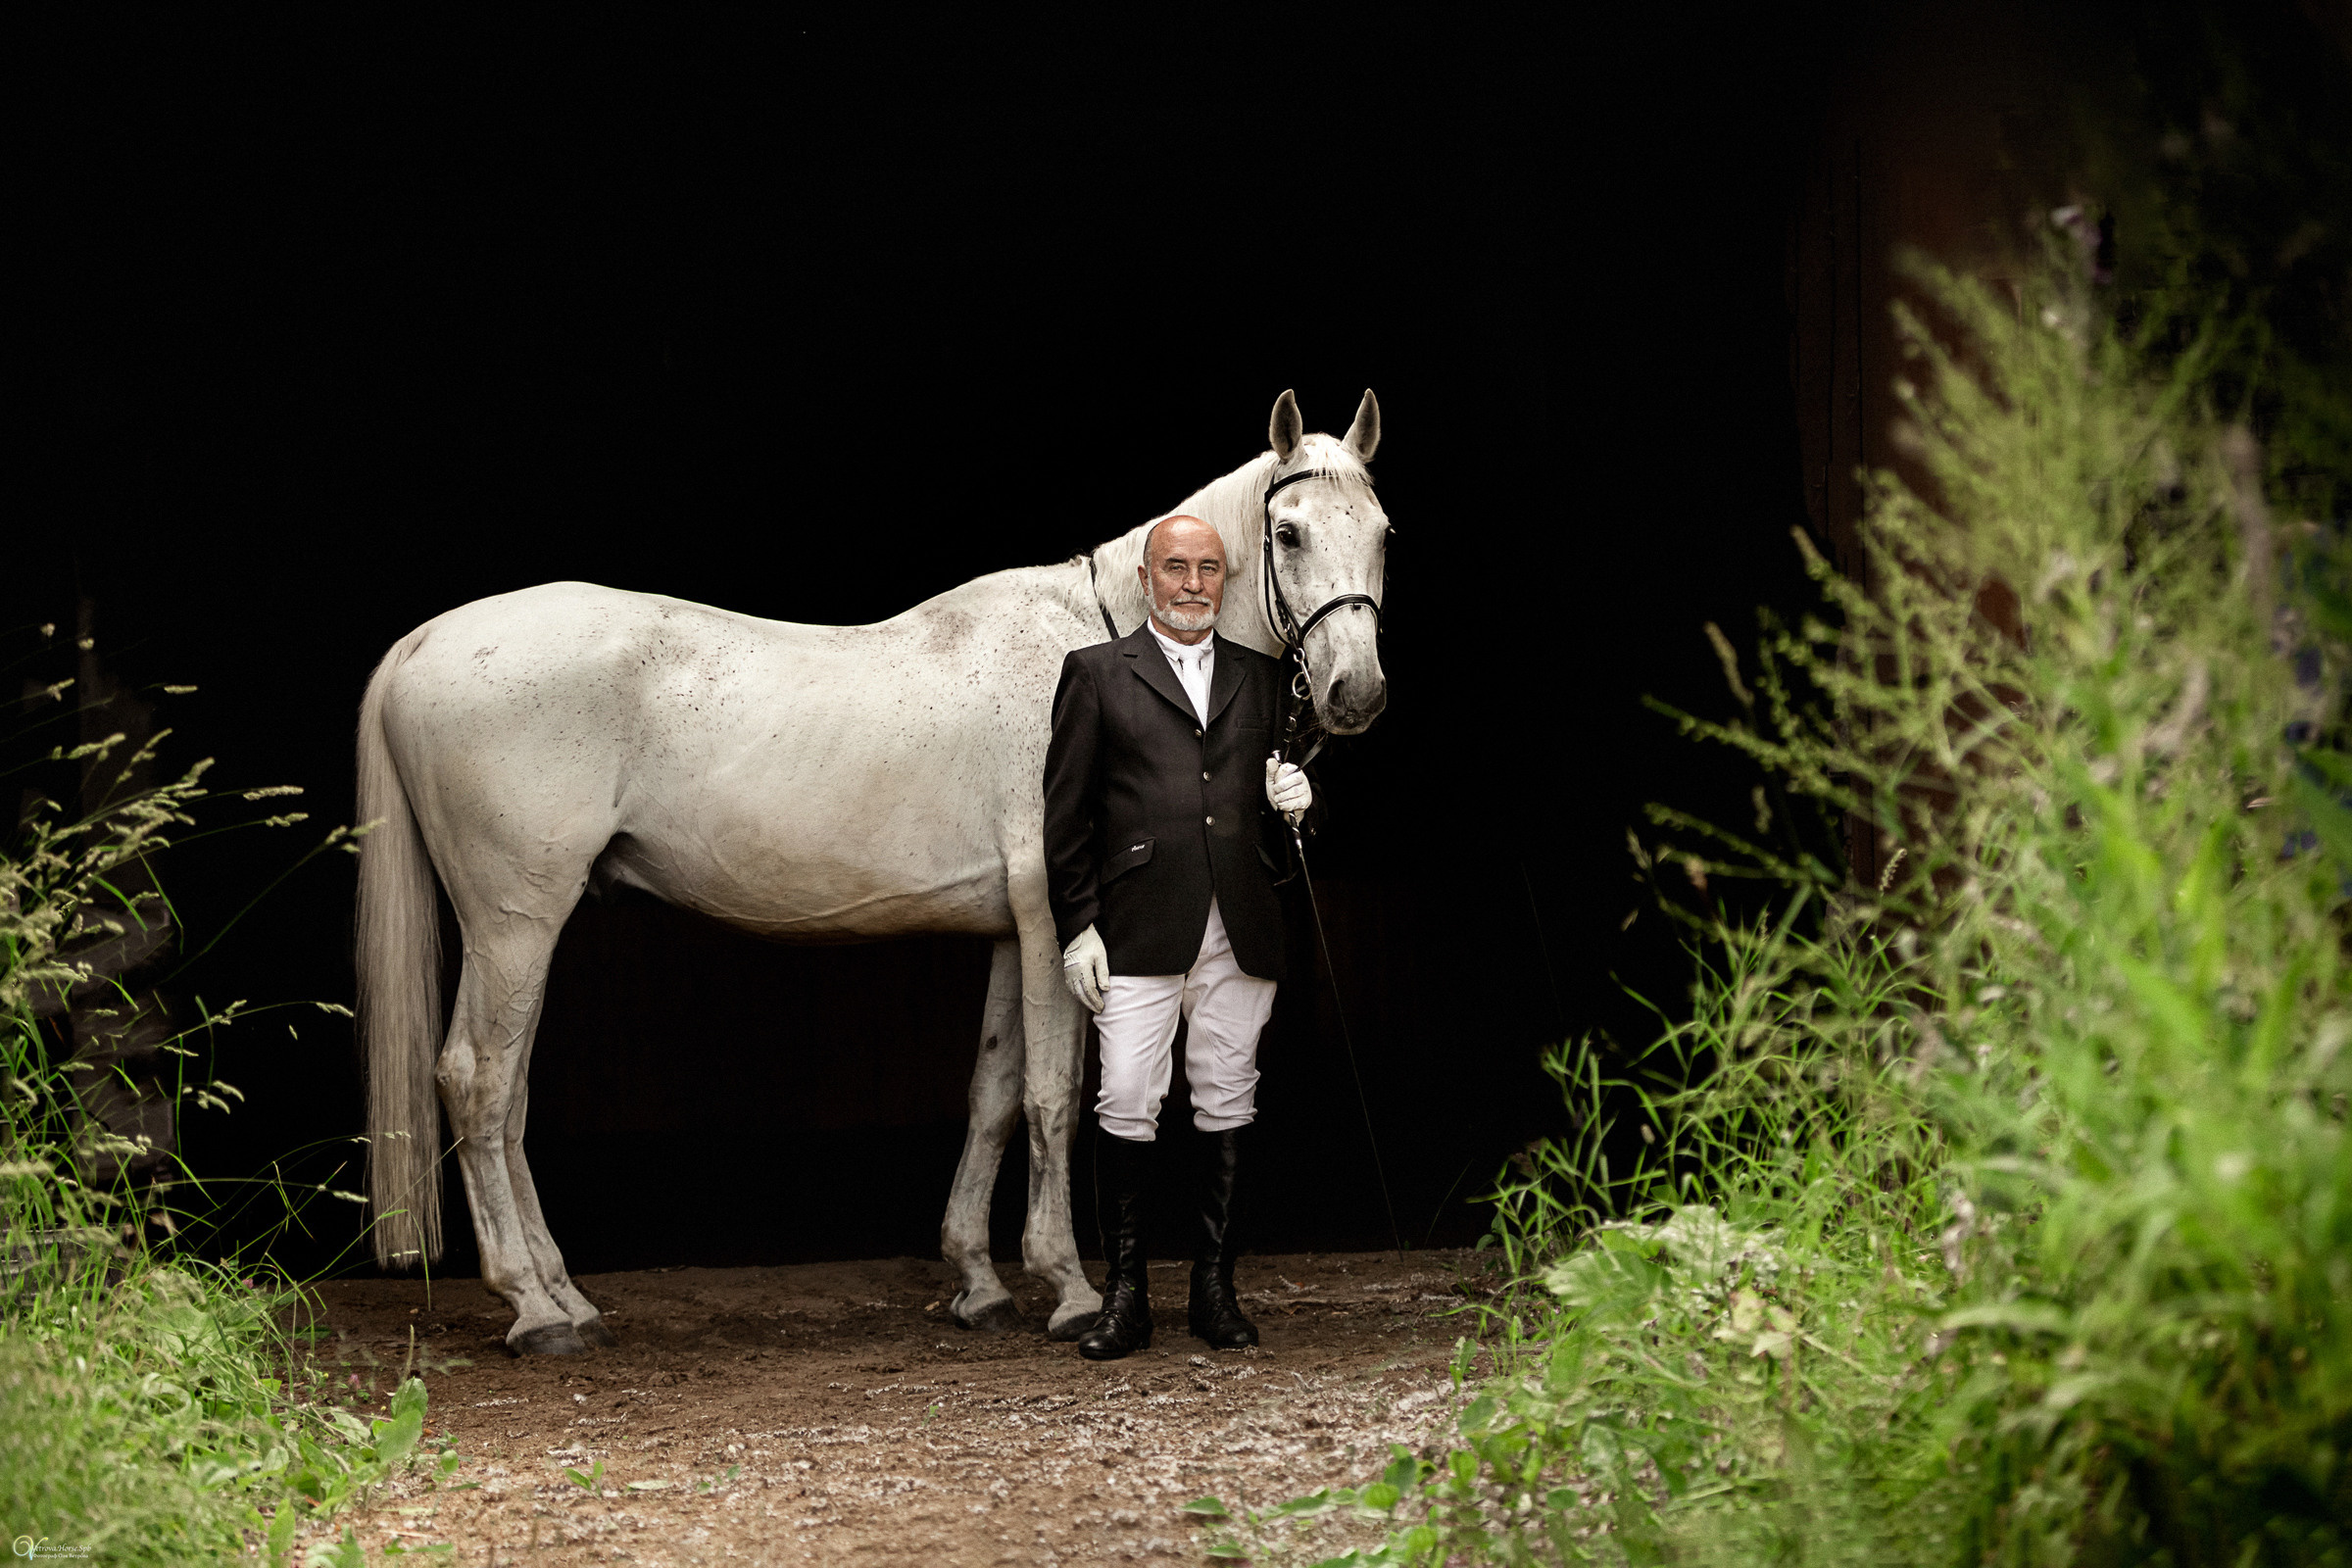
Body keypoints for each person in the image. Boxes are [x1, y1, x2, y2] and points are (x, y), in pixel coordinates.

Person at [1043, 513, 1314, 1361]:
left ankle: (1213, 1290)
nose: (1193, 583)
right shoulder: (1094, 673)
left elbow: (1281, 815)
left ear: (1225, 580)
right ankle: (1127, 1295)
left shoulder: (1265, 679)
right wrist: (1078, 925)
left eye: (1208, 569)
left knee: (1228, 1098)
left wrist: (1302, 802)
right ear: (1145, 580)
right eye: (1176, 568)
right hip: (1136, 926)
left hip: (1240, 925)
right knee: (1125, 1097)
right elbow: (1065, 816)